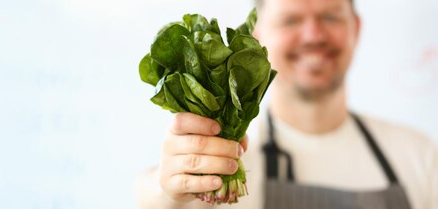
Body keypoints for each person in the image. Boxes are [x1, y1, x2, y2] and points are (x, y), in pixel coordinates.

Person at [135, 0, 438, 208]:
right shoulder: (224, 161)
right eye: (291, 19)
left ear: (355, 29)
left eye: (330, 16)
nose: (313, 35)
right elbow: (152, 195)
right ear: (257, 37)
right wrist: (167, 193)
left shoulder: (421, 156)